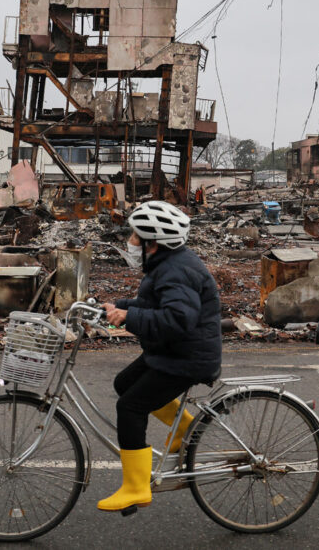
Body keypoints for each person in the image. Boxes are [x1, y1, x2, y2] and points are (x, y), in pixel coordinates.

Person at [98, 200, 222, 512]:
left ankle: (136, 487)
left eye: (137, 237)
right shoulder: (168, 264)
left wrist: (127, 317)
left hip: (187, 357)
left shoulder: (176, 270)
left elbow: (176, 320)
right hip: (175, 351)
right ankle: (185, 432)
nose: (131, 242)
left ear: (154, 242)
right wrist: (117, 306)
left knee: (130, 406)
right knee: (125, 383)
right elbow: (152, 302)